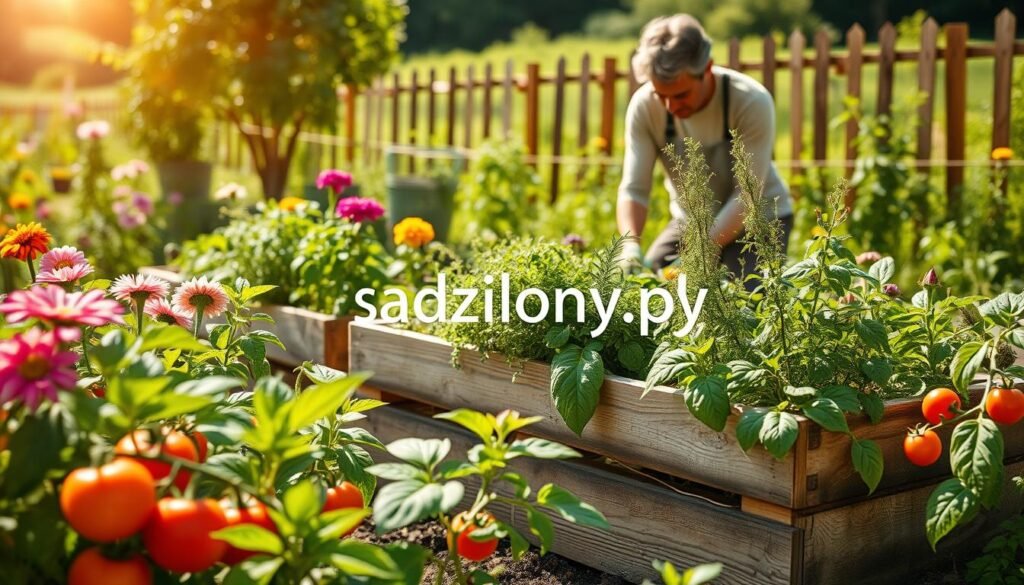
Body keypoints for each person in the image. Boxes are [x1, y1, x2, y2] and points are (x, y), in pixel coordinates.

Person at [616, 14, 793, 280]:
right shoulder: (644, 106)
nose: (670, 107)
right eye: (660, 95)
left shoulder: (749, 100)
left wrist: (700, 251)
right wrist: (630, 244)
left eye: (680, 95)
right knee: (647, 285)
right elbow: (634, 189)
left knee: (741, 301)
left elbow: (747, 197)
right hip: (691, 221)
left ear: (707, 69)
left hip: (759, 219)